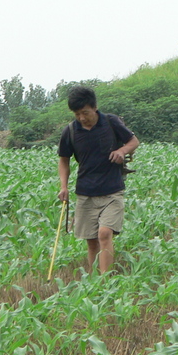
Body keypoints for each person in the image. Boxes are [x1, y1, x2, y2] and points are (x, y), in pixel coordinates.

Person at [58, 86, 140, 274]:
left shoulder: (111, 122)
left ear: (95, 107)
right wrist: (63, 186)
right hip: (85, 192)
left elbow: (133, 141)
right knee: (92, 241)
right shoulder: (70, 131)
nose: (82, 118)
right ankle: (96, 282)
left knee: (104, 233)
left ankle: (105, 281)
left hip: (112, 190)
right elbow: (64, 160)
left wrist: (121, 151)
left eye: (85, 112)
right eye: (77, 114)